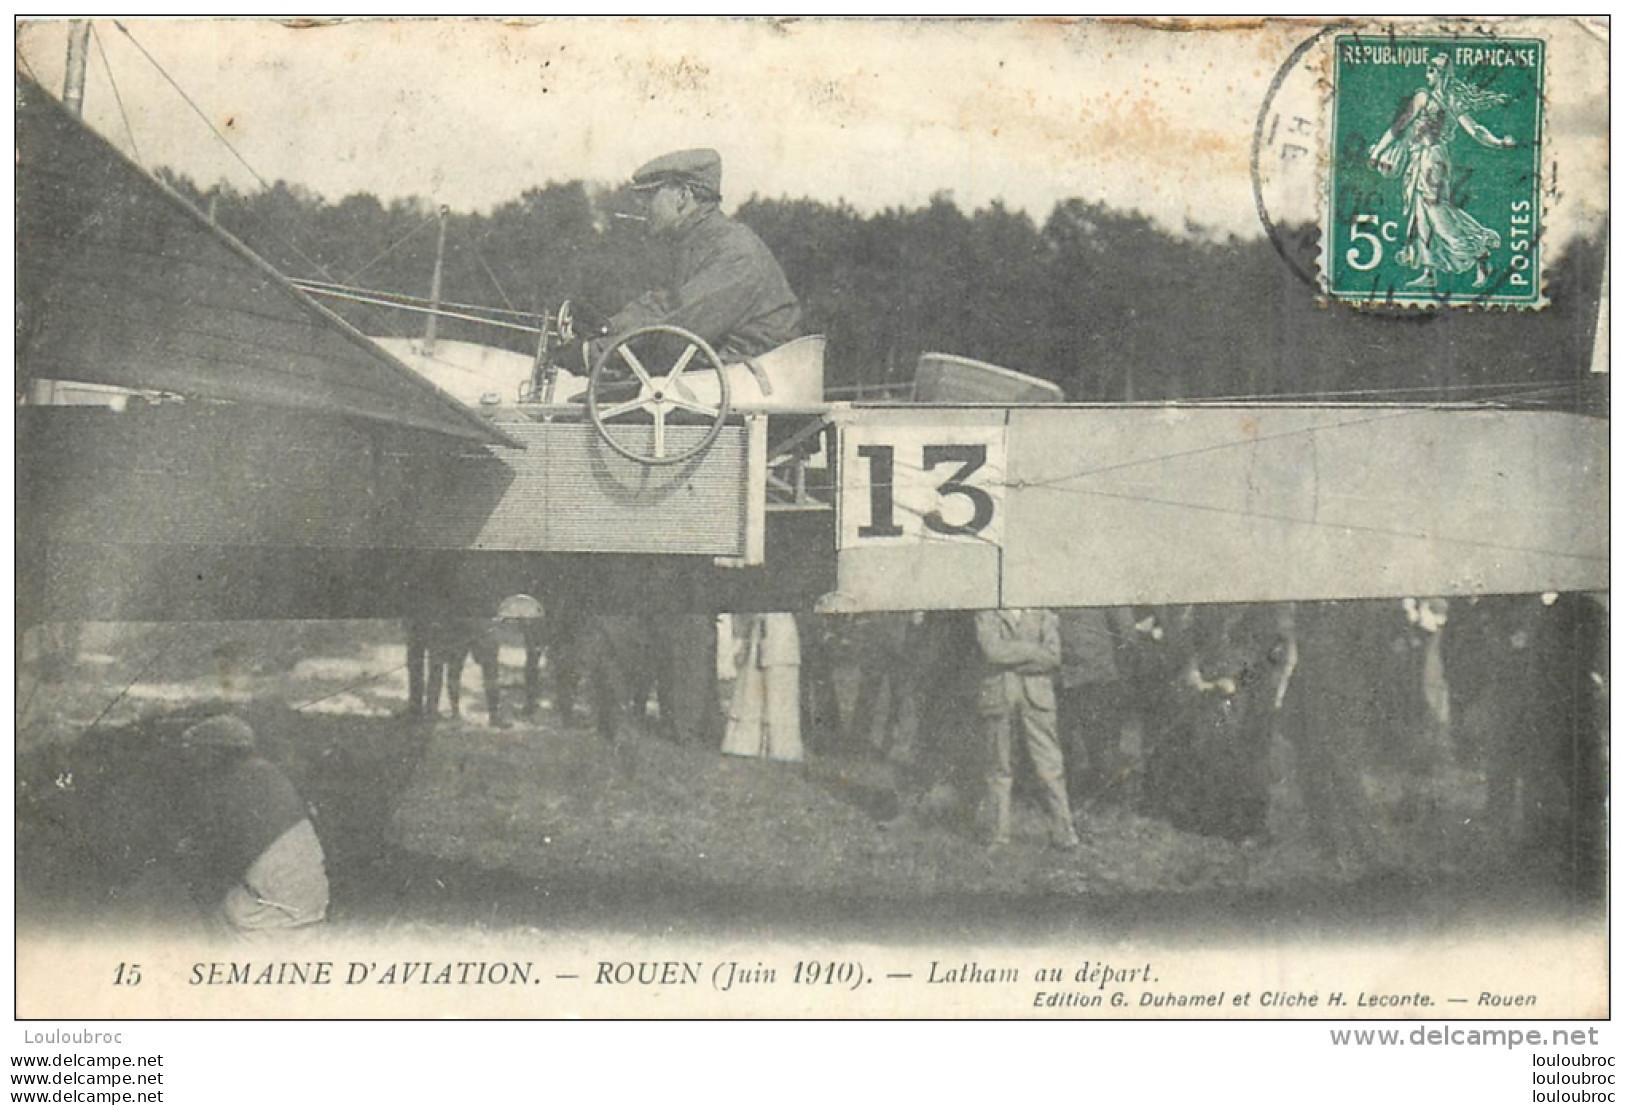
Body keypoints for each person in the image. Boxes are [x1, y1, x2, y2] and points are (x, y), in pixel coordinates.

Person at [587, 147, 802, 370]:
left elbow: (675, 336)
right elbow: (664, 305)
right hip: (724, 378)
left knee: (585, 401)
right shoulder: (700, 244)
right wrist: (605, 327)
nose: (642, 206)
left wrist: (593, 354)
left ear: (683, 196)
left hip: (749, 384)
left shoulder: (735, 252)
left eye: (650, 196)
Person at [165, 715, 329, 937]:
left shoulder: (229, 785)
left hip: (267, 913)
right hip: (311, 904)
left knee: (190, 907)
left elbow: (220, 859)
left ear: (214, 753)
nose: (193, 760)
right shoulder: (268, 773)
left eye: (197, 752)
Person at [1367, 53, 1516, 290]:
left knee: (1437, 213)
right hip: (1418, 159)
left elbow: (1475, 129)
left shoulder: (1446, 100)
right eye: (1428, 68)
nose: (1429, 73)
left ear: (1444, 73)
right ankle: (1429, 272)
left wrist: (1497, 142)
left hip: (1433, 159)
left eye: (1434, 69)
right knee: (1421, 216)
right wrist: (1377, 153)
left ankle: (1479, 253)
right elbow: (1399, 126)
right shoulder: (1423, 97)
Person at [973, 608, 1078, 850]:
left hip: (1038, 697)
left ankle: (1065, 833)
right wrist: (1032, 650)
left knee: (1050, 765)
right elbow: (991, 651)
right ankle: (997, 836)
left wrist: (1011, 657)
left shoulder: (1043, 613)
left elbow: (1053, 656)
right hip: (999, 695)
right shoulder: (986, 612)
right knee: (998, 766)